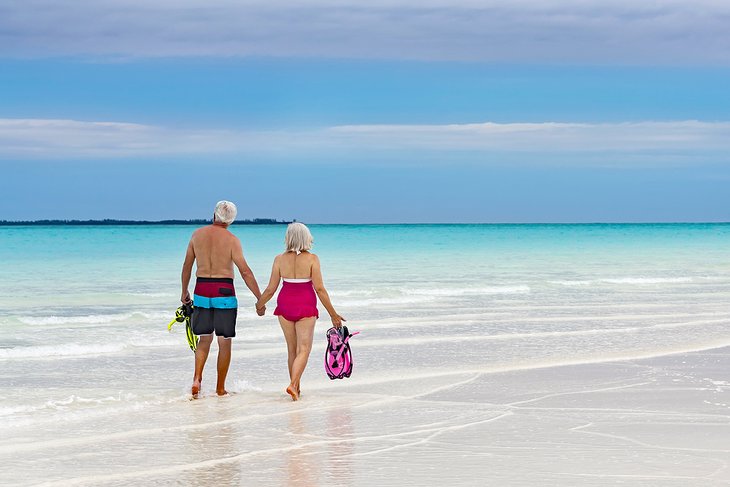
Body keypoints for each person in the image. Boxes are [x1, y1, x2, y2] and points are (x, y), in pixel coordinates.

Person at [181, 201, 263, 398]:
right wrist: (260, 299)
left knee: (204, 339)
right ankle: (220, 388)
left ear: (214, 214)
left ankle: (197, 379)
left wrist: (184, 292)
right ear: (231, 220)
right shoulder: (232, 240)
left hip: (201, 288)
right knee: (224, 342)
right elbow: (245, 271)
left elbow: (187, 266)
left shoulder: (196, 235)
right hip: (224, 290)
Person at [256, 222, 345, 401]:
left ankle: (296, 388)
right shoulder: (312, 259)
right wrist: (333, 314)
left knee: (292, 350)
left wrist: (260, 305)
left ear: (288, 238)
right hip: (305, 303)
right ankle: (292, 384)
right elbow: (320, 289)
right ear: (306, 238)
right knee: (303, 349)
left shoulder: (279, 259)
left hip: (285, 303)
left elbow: (270, 290)